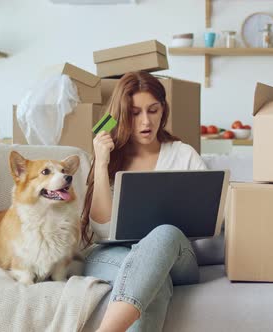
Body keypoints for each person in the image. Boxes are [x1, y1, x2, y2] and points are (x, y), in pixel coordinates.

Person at [81, 71, 207, 332]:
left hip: (175, 255)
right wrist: (101, 164)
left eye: (153, 110)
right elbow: (102, 228)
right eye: (135, 113)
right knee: (153, 282)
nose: (146, 121)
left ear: (164, 110)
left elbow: (210, 219)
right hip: (115, 252)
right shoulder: (110, 158)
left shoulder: (184, 155)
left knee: (165, 233)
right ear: (122, 115)